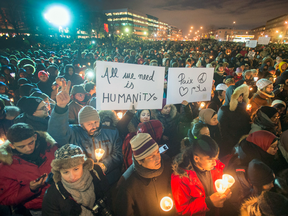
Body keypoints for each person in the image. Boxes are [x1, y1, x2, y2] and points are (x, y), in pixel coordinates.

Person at [48, 80, 122, 185]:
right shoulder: (74, 133)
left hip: (110, 178)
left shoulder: (111, 132)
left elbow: (118, 154)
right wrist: (60, 108)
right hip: (85, 180)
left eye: (96, 122)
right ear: (81, 125)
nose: (94, 126)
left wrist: (105, 165)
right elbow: (57, 132)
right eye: (89, 124)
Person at [0, 123, 58, 216]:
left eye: (31, 143)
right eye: (21, 146)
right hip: (39, 208)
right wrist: (30, 189)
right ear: (12, 145)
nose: (28, 148)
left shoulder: (51, 148)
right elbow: (7, 198)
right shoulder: (7, 166)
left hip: (66, 199)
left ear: (35, 136)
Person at [42, 144, 111, 216]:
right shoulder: (52, 195)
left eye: (76, 169)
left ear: (83, 164)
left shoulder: (96, 173)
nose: (72, 177)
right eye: (65, 172)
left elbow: (108, 197)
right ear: (59, 172)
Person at [115, 133, 174, 216]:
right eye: (151, 157)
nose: (158, 158)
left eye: (157, 152)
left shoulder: (167, 163)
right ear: (139, 161)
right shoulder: (127, 186)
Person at [171, 135, 231, 216]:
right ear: (196, 158)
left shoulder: (215, 167)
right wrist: (208, 202)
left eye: (216, 158)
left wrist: (225, 193)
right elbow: (182, 211)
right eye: (210, 160)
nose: (215, 162)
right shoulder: (181, 178)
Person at [217, 84, 251, 158]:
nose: (241, 97)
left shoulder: (241, 107)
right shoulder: (224, 110)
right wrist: (234, 142)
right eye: (239, 95)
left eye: (242, 95)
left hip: (243, 142)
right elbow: (223, 131)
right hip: (231, 145)